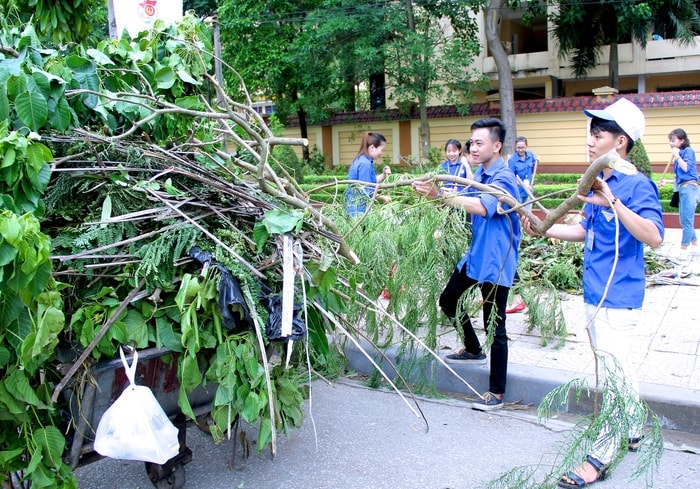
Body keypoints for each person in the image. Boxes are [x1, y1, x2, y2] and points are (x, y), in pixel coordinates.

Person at [521, 98, 664, 488]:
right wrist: (543, 227)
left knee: (613, 378)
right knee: (622, 367)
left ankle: (599, 456)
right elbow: (585, 231)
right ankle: (633, 428)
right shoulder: (602, 182)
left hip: (618, 298)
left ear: (619, 142)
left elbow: (653, 237)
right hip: (595, 294)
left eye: (597, 134)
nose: (589, 140)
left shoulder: (634, 185)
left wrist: (613, 201)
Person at [413, 118, 521, 412]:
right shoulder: (481, 175)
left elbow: (482, 207)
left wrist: (443, 196)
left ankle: (497, 392)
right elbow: (464, 204)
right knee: (448, 301)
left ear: (496, 146)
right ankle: (473, 349)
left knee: (495, 325)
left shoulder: (503, 178)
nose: (473, 147)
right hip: (475, 257)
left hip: (496, 262)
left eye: (479, 143)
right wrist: (435, 197)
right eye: (471, 142)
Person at [662, 128, 699, 257]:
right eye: (670, 141)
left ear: (682, 140)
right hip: (683, 187)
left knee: (686, 220)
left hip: (690, 188)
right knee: (684, 220)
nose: (671, 143)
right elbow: (679, 177)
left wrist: (677, 155)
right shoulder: (680, 153)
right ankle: (695, 245)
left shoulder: (688, 151)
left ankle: (683, 249)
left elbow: (687, 168)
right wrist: (666, 181)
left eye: (673, 141)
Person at [345, 132, 391, 217]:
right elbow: (366, 191)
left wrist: (383, 175)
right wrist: (383, 197)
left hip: (355, 208)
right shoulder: (365, 164)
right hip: (358, 211)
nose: (382, 153)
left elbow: (370, 181)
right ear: (373, 147)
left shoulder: (363, 160)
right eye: (382, 150)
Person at [508, 136, 539, 207]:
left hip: (529, 191)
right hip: (518, 192)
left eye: (523, 148)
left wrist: (538, 161)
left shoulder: (531, 155)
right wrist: (525, 186)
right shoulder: (512, 160)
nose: (520, 150)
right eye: (518, 148)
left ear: (526, 146)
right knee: (519, 213)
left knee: (528, 214)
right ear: (515, 147)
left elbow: (534, 167)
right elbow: (512, 178)